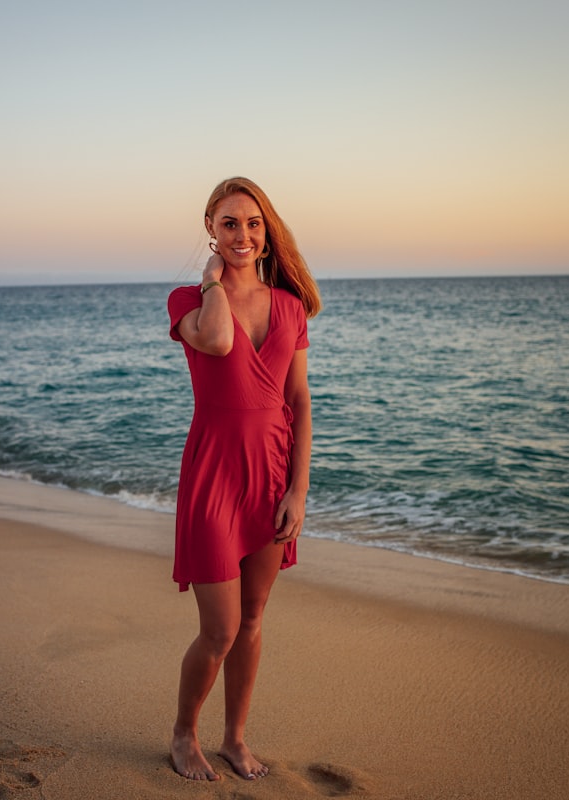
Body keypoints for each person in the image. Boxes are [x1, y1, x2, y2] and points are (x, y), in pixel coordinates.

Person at [167, 177, 322, 781]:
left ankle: (234, 738)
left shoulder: (288, 307)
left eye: (253, 223)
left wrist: (299, 489)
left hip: (271, 477)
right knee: (221, 628)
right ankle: (184, 736)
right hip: (212, 477)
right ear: (212, 229)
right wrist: (211, 281)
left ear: (267, 230)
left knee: (253, 620)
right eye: (230, 223)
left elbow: (300, 401)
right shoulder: (187, 300)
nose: (243, 234)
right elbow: (219, 337)